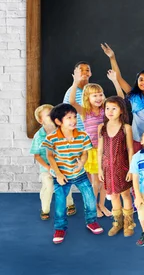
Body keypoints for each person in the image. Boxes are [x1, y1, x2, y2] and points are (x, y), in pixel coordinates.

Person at [42, 103, 104, 244]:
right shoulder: (52, 138)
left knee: (89, 197)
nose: (73, 120)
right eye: (69, 117)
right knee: (60, 202)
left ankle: (91, 221)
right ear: (58, 121)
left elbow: (85, 153)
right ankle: (60, 228)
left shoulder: (82, 135)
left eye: (75, 117)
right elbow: (50, 156)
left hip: (80, 174)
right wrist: (58, 174)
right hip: (61, 175)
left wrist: (81, 163)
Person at [70, 73, 123, 218]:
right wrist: (75, 83)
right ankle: (94, 207)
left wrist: (115, 81)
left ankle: (102, 204)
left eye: (100, 94)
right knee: (95, 182)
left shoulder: (105, 110)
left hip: (106, 149)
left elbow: (120, 99)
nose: (99, 98)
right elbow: (72, 101)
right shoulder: (84, 112)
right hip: (92, 151)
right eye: (94, 96)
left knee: (104, 181)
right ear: (87, 98)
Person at [101, 43, 144, 153]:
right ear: (137, 82)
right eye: (141, 79)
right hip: (137, 140)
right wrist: (112, 57)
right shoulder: (134, 96)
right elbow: (118, 78)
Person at [98, 96, 135, 238]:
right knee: (113, 195)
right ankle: (117, 223)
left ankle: (128, 223)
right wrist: (100, 168)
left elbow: (130, 149)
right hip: (107, 168)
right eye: (107, 108)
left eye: (114, 108)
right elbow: (100, 150)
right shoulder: (101, 127)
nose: (110, 111)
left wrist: (131, 169)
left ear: (121, 111)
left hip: (122, 166)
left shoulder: (126, 128)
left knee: (125, 194)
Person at [30, 104, 75, 220]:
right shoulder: (38, 136)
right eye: (49, 115)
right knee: (49, 186)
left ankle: (69, 204)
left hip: (62, 167)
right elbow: (37, 155)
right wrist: (48, 168)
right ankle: (45, 209)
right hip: (47, 168)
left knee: (65, 183)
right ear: (41, 120)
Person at [63, 61, 92, 132]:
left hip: (91, 130)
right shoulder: (72, 91)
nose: (84, 72)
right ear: (75, 73)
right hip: (77, 131)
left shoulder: (92, 90)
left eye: (87, 70)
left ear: (90, 73)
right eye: (81, 70)